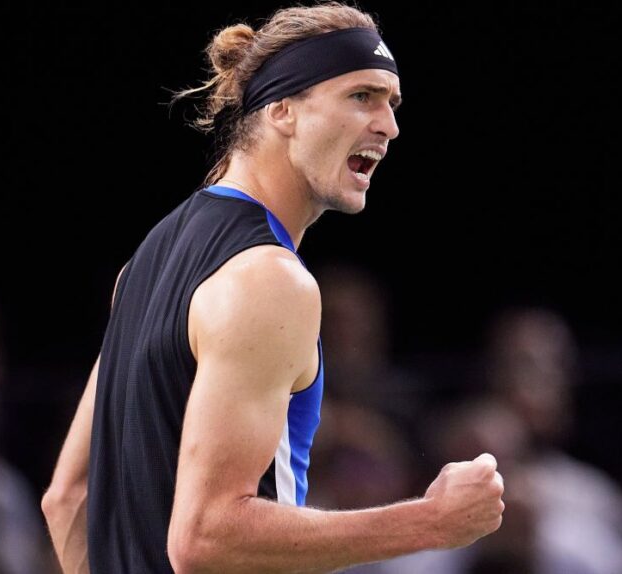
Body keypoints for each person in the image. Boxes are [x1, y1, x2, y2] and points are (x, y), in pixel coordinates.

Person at [41, 3, 505, 573]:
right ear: (282, 110)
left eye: (392, 103)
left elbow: (67, 499)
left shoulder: (143, 263)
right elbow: (207, 537)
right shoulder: (270, 279)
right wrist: (431, 521)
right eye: (362, 96)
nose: (389, 125)